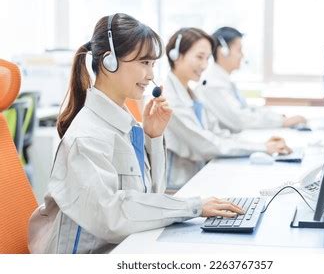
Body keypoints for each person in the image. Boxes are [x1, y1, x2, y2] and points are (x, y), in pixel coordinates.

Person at [28, 14, 243, 254]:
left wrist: (153, 137)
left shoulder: (125, 123)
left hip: (124, 247)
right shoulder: (87, 137)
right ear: (109, 61)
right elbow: (111, 216)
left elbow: (150, 196)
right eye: (144, 62)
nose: (151, 75)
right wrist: (192, 207)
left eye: (152, 64)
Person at [163, 28, 291, 189]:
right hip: (179, 187)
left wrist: (259, 145)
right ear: (177, 56)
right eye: (199, 57)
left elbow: (217, 133)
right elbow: (206, 144)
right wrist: (262, 148)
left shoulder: (190, 93)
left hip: (199, 176)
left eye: (207, 58)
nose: (204, 65)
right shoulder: (168, 100)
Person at [196, 26, 306, 133]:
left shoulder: (223, 80)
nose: (242, 55)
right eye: (239, 50)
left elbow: (246, 109)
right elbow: (240, 119)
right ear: (223, 51)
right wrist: (282, 122)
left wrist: (278, 117)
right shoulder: (213, 84)